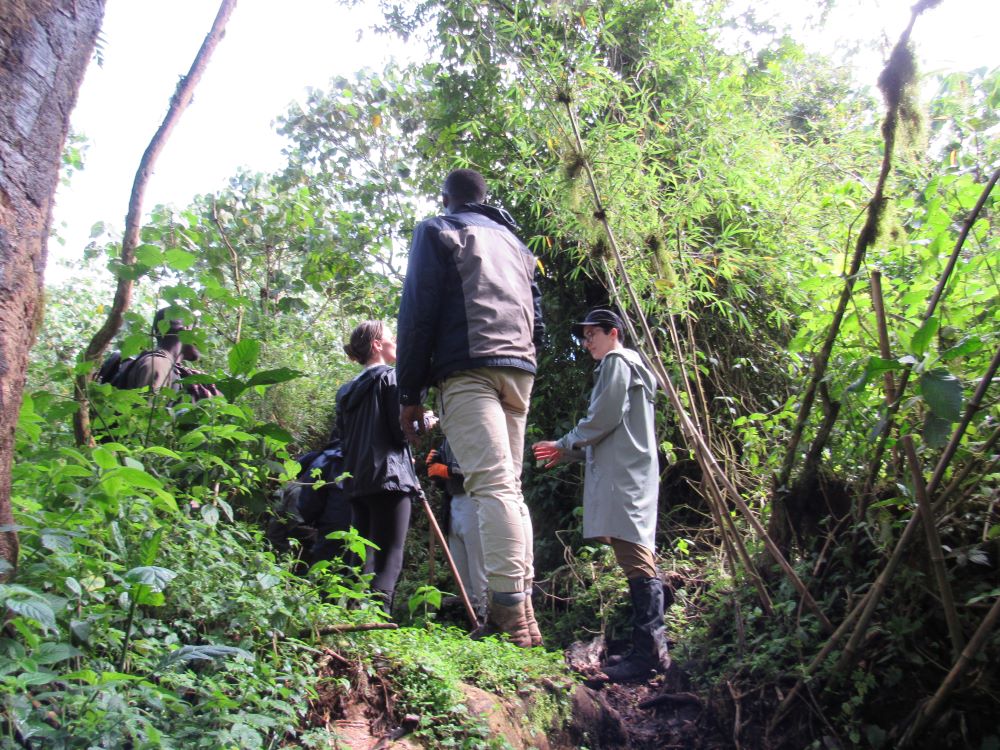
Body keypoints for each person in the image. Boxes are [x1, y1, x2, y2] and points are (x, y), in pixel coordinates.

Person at [396, 168, 545, 648]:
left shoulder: (439, 229)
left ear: (446, 198)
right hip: (519, 369)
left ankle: (508, 616)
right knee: (509, 488)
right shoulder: (518, 246)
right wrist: (527, 359)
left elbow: (417, 312)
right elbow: (538, 317)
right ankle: (524, 614)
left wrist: (409, 393)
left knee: (493, 487)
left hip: (468, 368)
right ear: (483, 198)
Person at [532, 308, 669, 682]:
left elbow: (603, 418)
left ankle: (648, 654)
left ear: (614, 333)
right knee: (636, 554)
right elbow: (614, 431)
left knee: (636, 558)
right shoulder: (633, 367)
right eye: (584, 335)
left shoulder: (616, 362)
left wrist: (565, 442)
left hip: (624, 477)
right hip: (631, 472)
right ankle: (651, 648)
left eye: (592, 333)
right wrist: (568, 452)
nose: (586, 341)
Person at [336, 320, 421, 614]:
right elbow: (399, 432)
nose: (395, 341)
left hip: (357, 480)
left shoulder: (346, 391)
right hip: (390, 477)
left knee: (361, 553)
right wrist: (423, 423)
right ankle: (379, 618)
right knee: (390, 553)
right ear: (377, 345)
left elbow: (343, 439)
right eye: (390, 337)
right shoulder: (391, 378)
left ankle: (351, 612)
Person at [426, 440, 488, 621]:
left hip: (474, 499)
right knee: (461, 570)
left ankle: (488, 616)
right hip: (453, 501)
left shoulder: (473, 429)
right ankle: (475, 619)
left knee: (478, 567)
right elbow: (438, 469)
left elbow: (481, 467)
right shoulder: (448, 438)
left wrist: (449, 470)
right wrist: (435, 464)